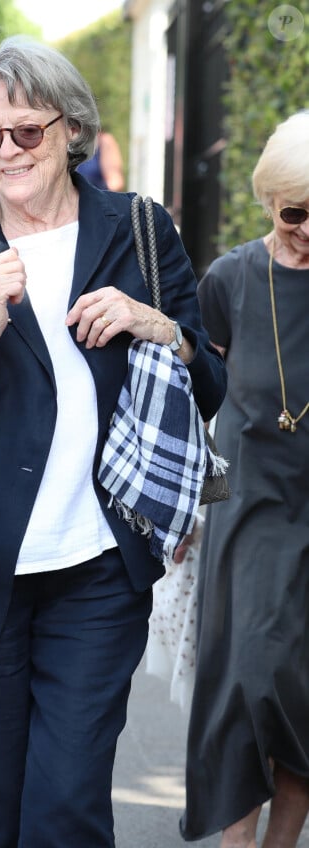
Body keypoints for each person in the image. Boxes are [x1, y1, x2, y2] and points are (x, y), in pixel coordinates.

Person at [0, 36, 226, 848]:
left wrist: (158, 326)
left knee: (66, 808)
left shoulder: (139, 229)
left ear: (70, 128)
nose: (6, 151)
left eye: (25, 132)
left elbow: (208, 378)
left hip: (98, 572)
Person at [180, 111, 309, 846]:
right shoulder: (230, 278)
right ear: (269, 200)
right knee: (249, 684)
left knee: (303, 697)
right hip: (249, 511)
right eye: (296, 212)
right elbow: (200, 407)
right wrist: (192, 512)